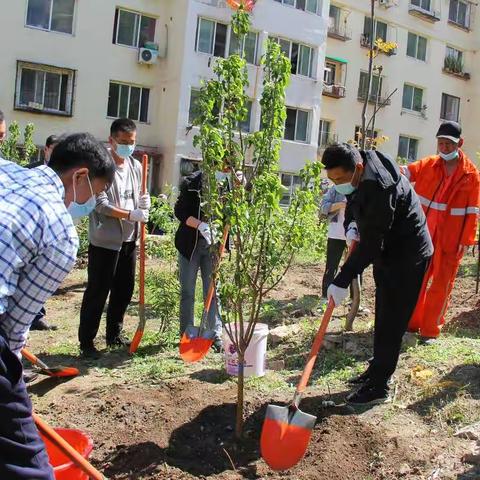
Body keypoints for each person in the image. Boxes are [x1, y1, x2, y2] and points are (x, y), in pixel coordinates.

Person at [0, 133, 115, 480]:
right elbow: (14, 327)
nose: (92, 202)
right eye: (94, 192)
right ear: (79, 176)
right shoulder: (60, 232)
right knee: (28, 464)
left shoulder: (6, 170)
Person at [322, 143, 433, 406]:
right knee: (382, 313)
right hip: (387, 251)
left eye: (340, 179)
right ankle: (376, 369)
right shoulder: (359, 167)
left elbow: (372, 245)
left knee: (392, 320)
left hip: (407, 255)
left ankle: (380, 386)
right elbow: (353, 200)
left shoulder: (380, 187)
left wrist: (341, 279)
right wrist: (351, 225)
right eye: (331, 179)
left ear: (357, 169)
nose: (337, 185)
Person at [78, 118, 151, 358]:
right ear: (111, 140)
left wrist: (144, 204)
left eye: (131, 142)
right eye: (123, 142)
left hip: (129, 239)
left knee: (123, 290)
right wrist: (131, 213)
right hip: (105, 240)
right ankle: (87, 341)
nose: (127, 147)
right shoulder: (101, 167)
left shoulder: (136, 166)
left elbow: (140, 193)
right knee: (98, 291)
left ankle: (114, 334)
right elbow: (101, 205)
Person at [403, 121, 480, 344]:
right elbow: (407, 171)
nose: (444, 148)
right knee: (416, 279)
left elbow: (473, 210)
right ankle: (411, 324)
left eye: (449, 144)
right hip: (423, 234)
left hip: (451, 239)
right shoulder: (429, 165)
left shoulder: (471, 174)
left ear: (460, 144)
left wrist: (467, 240)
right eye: (441, 143)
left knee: (442, 285)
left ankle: (430, 330)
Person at [174, 169, 223, 352]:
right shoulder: (192, 184)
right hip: (190, 246)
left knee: (212, 291)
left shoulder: (228, 184)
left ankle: (215, 333)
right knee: (188, 291)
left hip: (213, 246)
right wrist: (200, 225)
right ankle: (187, 334)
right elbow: (179, 211)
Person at [27, 134, 61, 331]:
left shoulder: (62, 175)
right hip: (31, 231)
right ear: (46, 149)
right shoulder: (31, 172)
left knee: (43, 275)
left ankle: (37, 316)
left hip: (52, 232)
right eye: (54, 150)